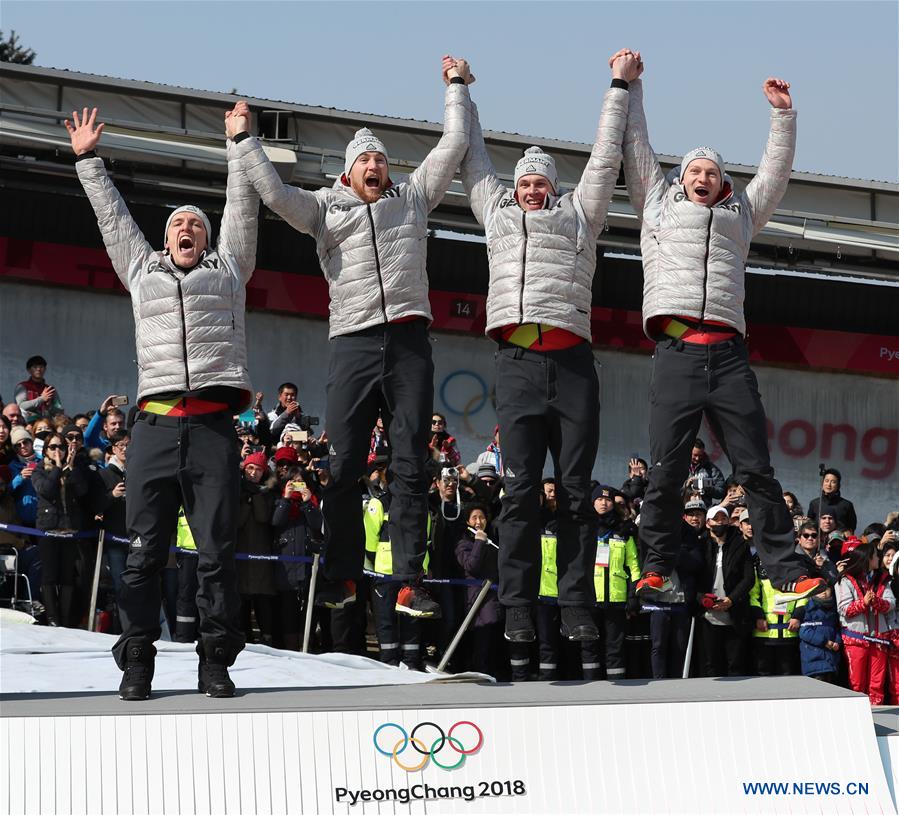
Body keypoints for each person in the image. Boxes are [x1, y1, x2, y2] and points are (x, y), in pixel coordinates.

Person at [231, 58, 472, 618]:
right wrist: (244, 139)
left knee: (412, 463)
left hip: (410, 340)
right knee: (342, 466)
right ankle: (340, 577)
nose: (375, 165)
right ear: (348, 170)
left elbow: (453, 144)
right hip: (353, 343)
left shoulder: (412, 198)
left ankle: (409, 581)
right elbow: (271, 192)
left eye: (382, 160)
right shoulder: (323, 208)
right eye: (364, 159)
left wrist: (456, 87)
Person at [66, 102, 260, 700]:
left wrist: (239, 143)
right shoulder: (141, 270)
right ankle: (137, 664)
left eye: (196, 226)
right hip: (152, 428)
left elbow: (241, 208)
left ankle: (214, 663)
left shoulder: (230, 268)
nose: (188, 231)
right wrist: (88, 160)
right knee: (144, 555)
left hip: (211, 430)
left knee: (215, 556)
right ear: (166, 236)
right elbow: (115, 219)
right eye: (179, 225)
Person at [620, 53, 824, 604]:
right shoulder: (657, 207)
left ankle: (784, 569)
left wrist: (783, 117)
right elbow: (636, 151)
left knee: (755, 467)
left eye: (711, 172)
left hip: (730, 356)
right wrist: (630, 89)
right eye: (693, 171)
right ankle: (655, 568)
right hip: (678, 352)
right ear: (679, 179)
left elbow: (775, 175)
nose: (703, 178)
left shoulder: (742, 215)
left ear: (723, 182)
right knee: (664, 472)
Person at [460, 50, 638, 643]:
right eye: (524, 183)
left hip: (572, 365)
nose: (532, 190)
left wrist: (618, 85)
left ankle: (574, 604)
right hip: (515, 364)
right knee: (518, 492)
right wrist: (460, 88)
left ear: (555, 188)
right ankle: (516, 605)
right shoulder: (497, 215)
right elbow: (474, 155)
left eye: (540, 183)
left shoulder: (580, 215)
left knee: (578, 491)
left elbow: (607, 156)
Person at [31, 431, 89, 626]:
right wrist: (57, 468)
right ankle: (52, 618)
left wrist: (70, 468)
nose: (58, 451)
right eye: (53, 447)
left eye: (61, 447)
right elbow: (45, 490)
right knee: (49, 574)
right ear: (45, 450)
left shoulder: (72, 469)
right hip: (48, 529)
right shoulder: (39, 469)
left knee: (67, 575)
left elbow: (82, 491)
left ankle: (64, 619)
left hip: (69, 529)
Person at [698, 505, 754, 677]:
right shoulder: (699, 544)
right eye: (716, 519)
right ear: (708, 523)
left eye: (723, 519)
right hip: (707, 614)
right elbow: (692, 578)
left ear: (729, 521)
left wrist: (731, 599)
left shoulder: (740, 545)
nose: (720, 522)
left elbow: (748, 579)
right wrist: (701, 598)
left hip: (734, 614)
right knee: (711, 664)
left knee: (735, 665)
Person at [836, 544, 894, 705]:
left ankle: (879, 721)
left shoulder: (883, 579)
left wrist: (877, 602)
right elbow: (844, 609)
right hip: (857, 640)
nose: (878, 558)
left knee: (877, 686)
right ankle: (859, 723)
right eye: (876, 555)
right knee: (857, 685)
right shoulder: (845, 579)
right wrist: (864, 603)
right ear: (867, 558)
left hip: (879, 640)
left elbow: (891, 604)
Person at [14, 355, 63, 424]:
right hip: (27, 425)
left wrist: (49, 406)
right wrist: (41, 399)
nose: (38, 369)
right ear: (28, 370)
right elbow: (21, 406)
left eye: (41, 367)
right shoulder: (22, 386)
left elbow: (60, 412)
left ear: (45, 369)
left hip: (47, 426)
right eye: (35, 367)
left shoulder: (50, 389)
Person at [808, 468, 857, 534]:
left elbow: (852, 527)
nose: (829, 485)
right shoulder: (814, 503)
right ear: (822, 484)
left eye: (833, 482)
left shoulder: (847, 505)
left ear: (838, 486)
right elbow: (810, 525)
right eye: (826, 481)